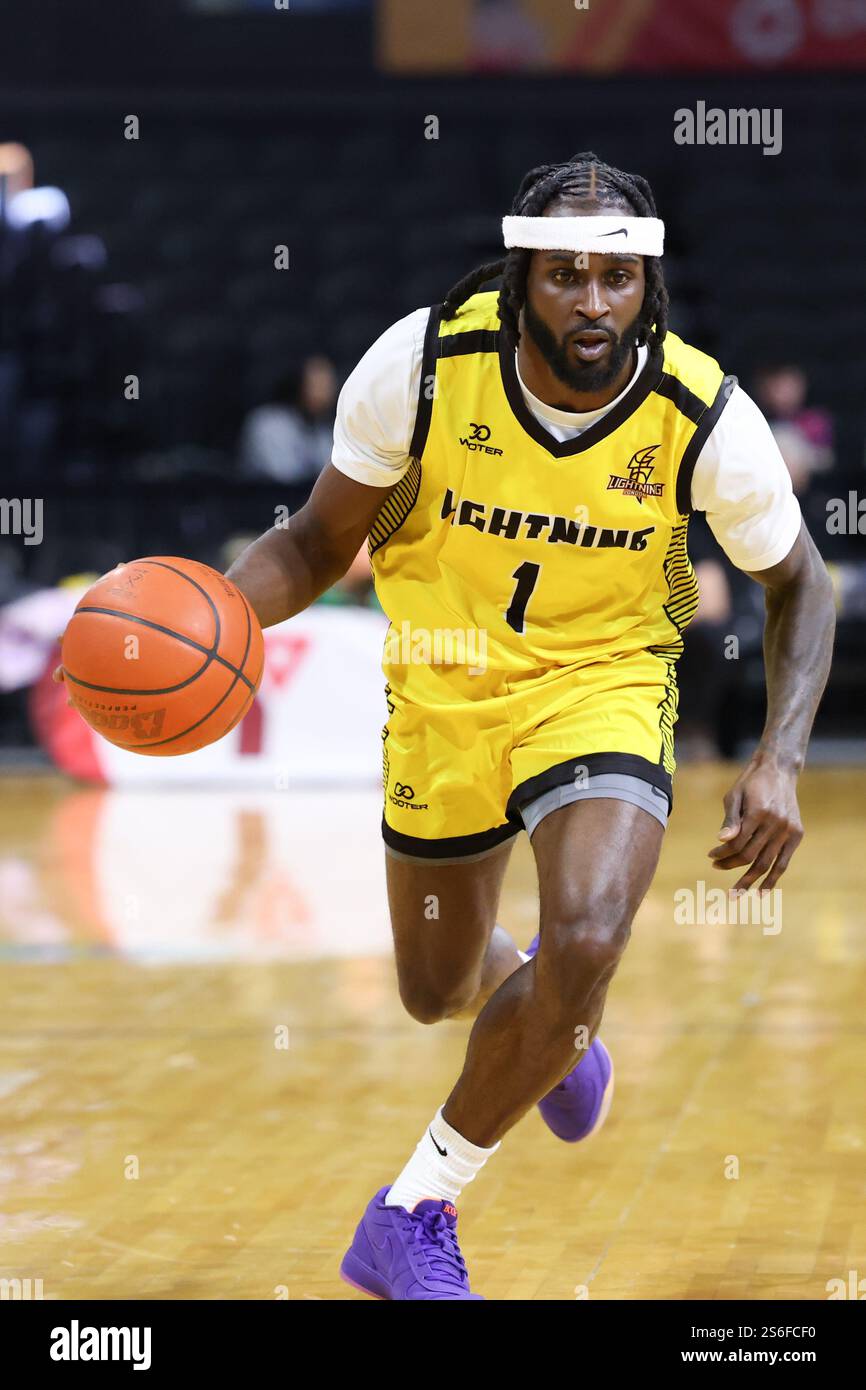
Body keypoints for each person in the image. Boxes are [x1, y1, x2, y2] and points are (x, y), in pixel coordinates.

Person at [176, 154, 838, 1298]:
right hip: (441, 691)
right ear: (519, 277)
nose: (592, 301)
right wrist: (215, 627)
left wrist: (778, 758)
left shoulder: (696, 412)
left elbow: (800, 582)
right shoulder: (422, 365)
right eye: (566, 275)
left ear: (648, 288)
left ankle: (412, 1207)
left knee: (588, 937)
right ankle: (537, 1007)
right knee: (433, 988)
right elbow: (313, 545)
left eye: (617, 279)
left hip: (602, 683)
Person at [238, 355, 337, 486]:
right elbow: (285, 478)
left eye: (328, 384)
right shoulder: (268, 424)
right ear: (298, 383)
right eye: (317, 384)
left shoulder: (322, 431)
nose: (325, 392)